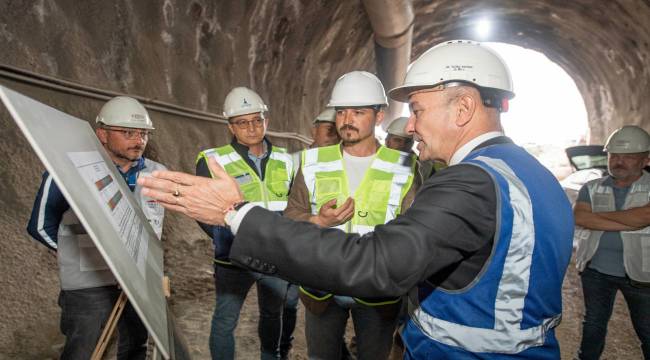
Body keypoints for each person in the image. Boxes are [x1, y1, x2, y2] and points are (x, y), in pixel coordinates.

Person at [138, 40, 574, 358]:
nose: (413, 126)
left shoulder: (469, 183)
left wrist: (235, 213)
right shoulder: (527, 173)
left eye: (418, 109)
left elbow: (377, 265)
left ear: (462, 108)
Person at [284, 70, 419, 360]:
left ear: (379, 116)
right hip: (322, 285)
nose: (347, 120)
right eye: (341, 111)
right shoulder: (312, 161)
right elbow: (291, 214)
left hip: (377, 288)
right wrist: (316, 220)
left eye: (358, 112)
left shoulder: (404, 167)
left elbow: (415, 232)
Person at [27, 96, 166, 360]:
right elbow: (40, 225)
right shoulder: (68, 170)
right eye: (127, 132)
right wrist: (78, 253)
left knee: (136, 346)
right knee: (82, 352)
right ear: (102, 133)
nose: (139, 140)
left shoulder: (158, 174)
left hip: (138, 281)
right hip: (87, 285)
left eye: (144, 133)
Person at [195, 87, 293, 360]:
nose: (251, 127)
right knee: (226, 319)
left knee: (273, 314)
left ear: (266, 120)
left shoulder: (287, 160)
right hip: (233, 258)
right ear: (230, 126)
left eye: (257, 120)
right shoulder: (213, 160)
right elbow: (203, 212)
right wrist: (223, 237)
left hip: (274, 256)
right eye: (242, 122)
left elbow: (294, 208)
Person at [574, 125, 650, 359]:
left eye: (628, 156)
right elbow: (580, 217)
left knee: (647, 330)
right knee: (593, 324)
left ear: (645, 159)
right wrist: (631, 220)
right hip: (596, 270)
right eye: (614, 155)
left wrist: (597, 219)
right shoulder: (591, 187)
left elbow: (645, 217)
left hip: (641, 274)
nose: (619, 161)